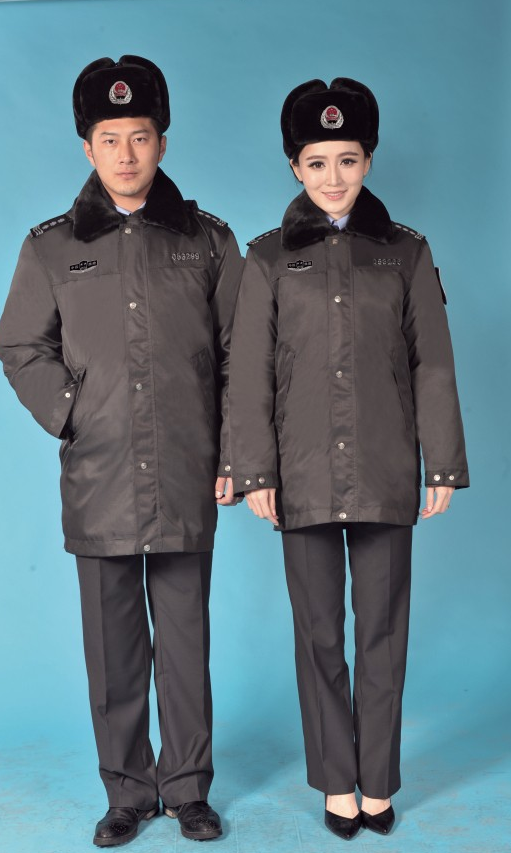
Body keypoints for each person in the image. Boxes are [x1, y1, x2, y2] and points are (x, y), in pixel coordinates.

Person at [0, 55, 243, 847]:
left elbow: (242, 352)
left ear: (162, 142)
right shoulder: (50, 247)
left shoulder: (208, 240)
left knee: (184, 640)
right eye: (110, 139)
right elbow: (21, 346)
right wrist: (74, 414)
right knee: (112, 649)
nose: (126, 153)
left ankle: (189, 789)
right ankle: (128, 792)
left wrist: (231, 451)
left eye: (140, 136)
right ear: (87, 147)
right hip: (98, 472)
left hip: (185, 468)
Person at [228, 78, 468, 840]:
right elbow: (248, 373)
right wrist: (255, 469)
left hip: (385, 467)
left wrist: (441, 463)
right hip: (298, 475)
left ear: (368, 159)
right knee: (320, 634)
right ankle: (337, 779)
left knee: (381, 633)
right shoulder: (266, 258)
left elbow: (431, 362)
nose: (332, 177)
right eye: (316, 161)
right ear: (293, 166)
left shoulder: (405, 252)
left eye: (347, 159)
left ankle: (378, 780)